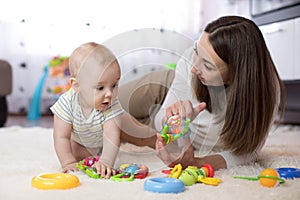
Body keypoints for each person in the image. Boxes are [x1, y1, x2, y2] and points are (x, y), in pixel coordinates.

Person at [118, 16, 285, 170]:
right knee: (98, 104)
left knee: (112, 125)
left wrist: (197, 162)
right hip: (163, 87)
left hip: (182, 136)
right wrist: (173, 118)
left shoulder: (265, 93)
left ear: (238, 73)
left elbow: (247, 152)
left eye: (208, 65)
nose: (194, 66)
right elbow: (160, 120)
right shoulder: (190, 65)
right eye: (197, 51)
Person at [50, 42, 154, 178]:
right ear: (76, 86)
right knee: (75, 153)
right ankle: (96, 153)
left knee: (140, 134)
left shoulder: (110, 103)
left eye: (114, 85)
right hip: (84, 139)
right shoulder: (66, 103)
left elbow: (111, 137)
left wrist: (106, 161)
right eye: (100, 88)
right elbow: (61, 137)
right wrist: (68, 163)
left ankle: (163, 142)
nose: (109, 94)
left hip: (117, 126)